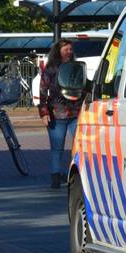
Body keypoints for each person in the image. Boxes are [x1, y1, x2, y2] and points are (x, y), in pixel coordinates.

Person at [39, 39, 82, 188]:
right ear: (58, 51)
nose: (69, 52)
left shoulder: (76, 67)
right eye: (66, 49)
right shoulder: (51, 68)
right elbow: (42, 91)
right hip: (57, 114)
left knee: (79, 145)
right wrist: (44, 113)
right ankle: (56, 177)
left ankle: (77, 175)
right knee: (57, 148)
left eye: (70, 49)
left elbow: (83, 85)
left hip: (75, 112)